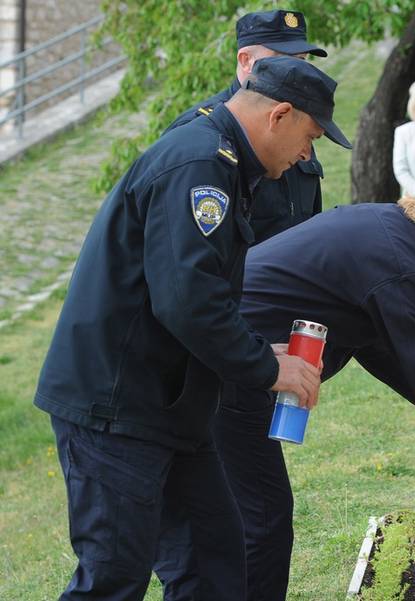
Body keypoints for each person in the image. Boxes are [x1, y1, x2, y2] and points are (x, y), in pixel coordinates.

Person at [33, 56, 351, 600]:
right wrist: (266, 366)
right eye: (310, 137)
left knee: (213, 564)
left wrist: (260, 350)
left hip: (170, 406)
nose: (307, 154)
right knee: (113, 577)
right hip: (117, 406)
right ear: (279, 115)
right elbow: (187, 301)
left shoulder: (224, 161)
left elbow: (202, 293)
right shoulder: (200, 163)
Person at [209, 174, 415, 597]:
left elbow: (372, 340)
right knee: (263, 519)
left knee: (238, 512)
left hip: (235, 356)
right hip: (234, 364)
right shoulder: (404, 263)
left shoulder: (391, 232)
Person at [166, 10, 328, 243]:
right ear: (246, 60)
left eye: (301, 61)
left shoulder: (295, 120)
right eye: (283, 59)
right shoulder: (203, 134)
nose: (296, 71)